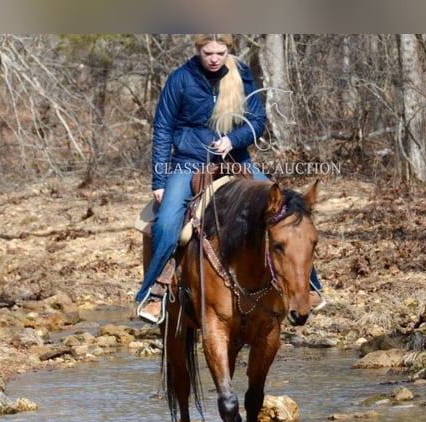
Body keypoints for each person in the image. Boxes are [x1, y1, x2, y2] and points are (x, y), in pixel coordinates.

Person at [136, 34, 325, 324]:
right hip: (189, 163)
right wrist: (159, 181)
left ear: (228, 50)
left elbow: (258, 122)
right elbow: (162, 128)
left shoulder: (242, 74)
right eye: (208, 52)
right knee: (167, 223)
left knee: (289, 210)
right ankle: (155, 293)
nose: (214, 58)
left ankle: (310, 286)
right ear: (198, 50)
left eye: (221, 52)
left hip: (236, 162)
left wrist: (232, 139)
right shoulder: (180, 79)